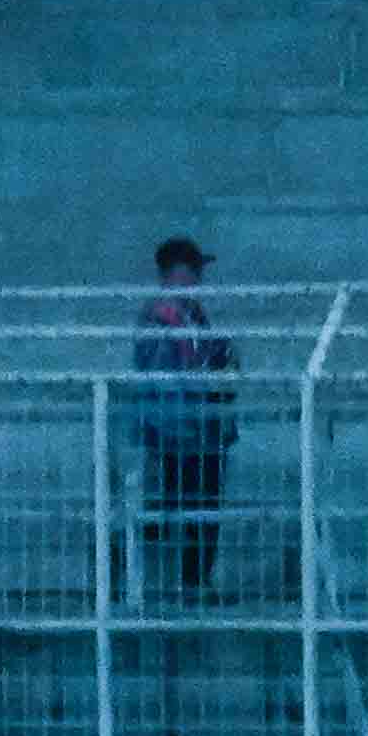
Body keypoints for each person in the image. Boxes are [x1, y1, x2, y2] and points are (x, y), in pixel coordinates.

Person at [128, 234, 238, 598]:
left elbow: (215, 359)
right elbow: (165, 379)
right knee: (184, 509)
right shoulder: (162, 318)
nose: (197, 278)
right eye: (192, 270)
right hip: (179, 431)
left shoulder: (190, 315)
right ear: (173, 273)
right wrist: (207, 388)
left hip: (198, 430)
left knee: (199, 509)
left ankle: (192, 582)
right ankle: (180, 586)